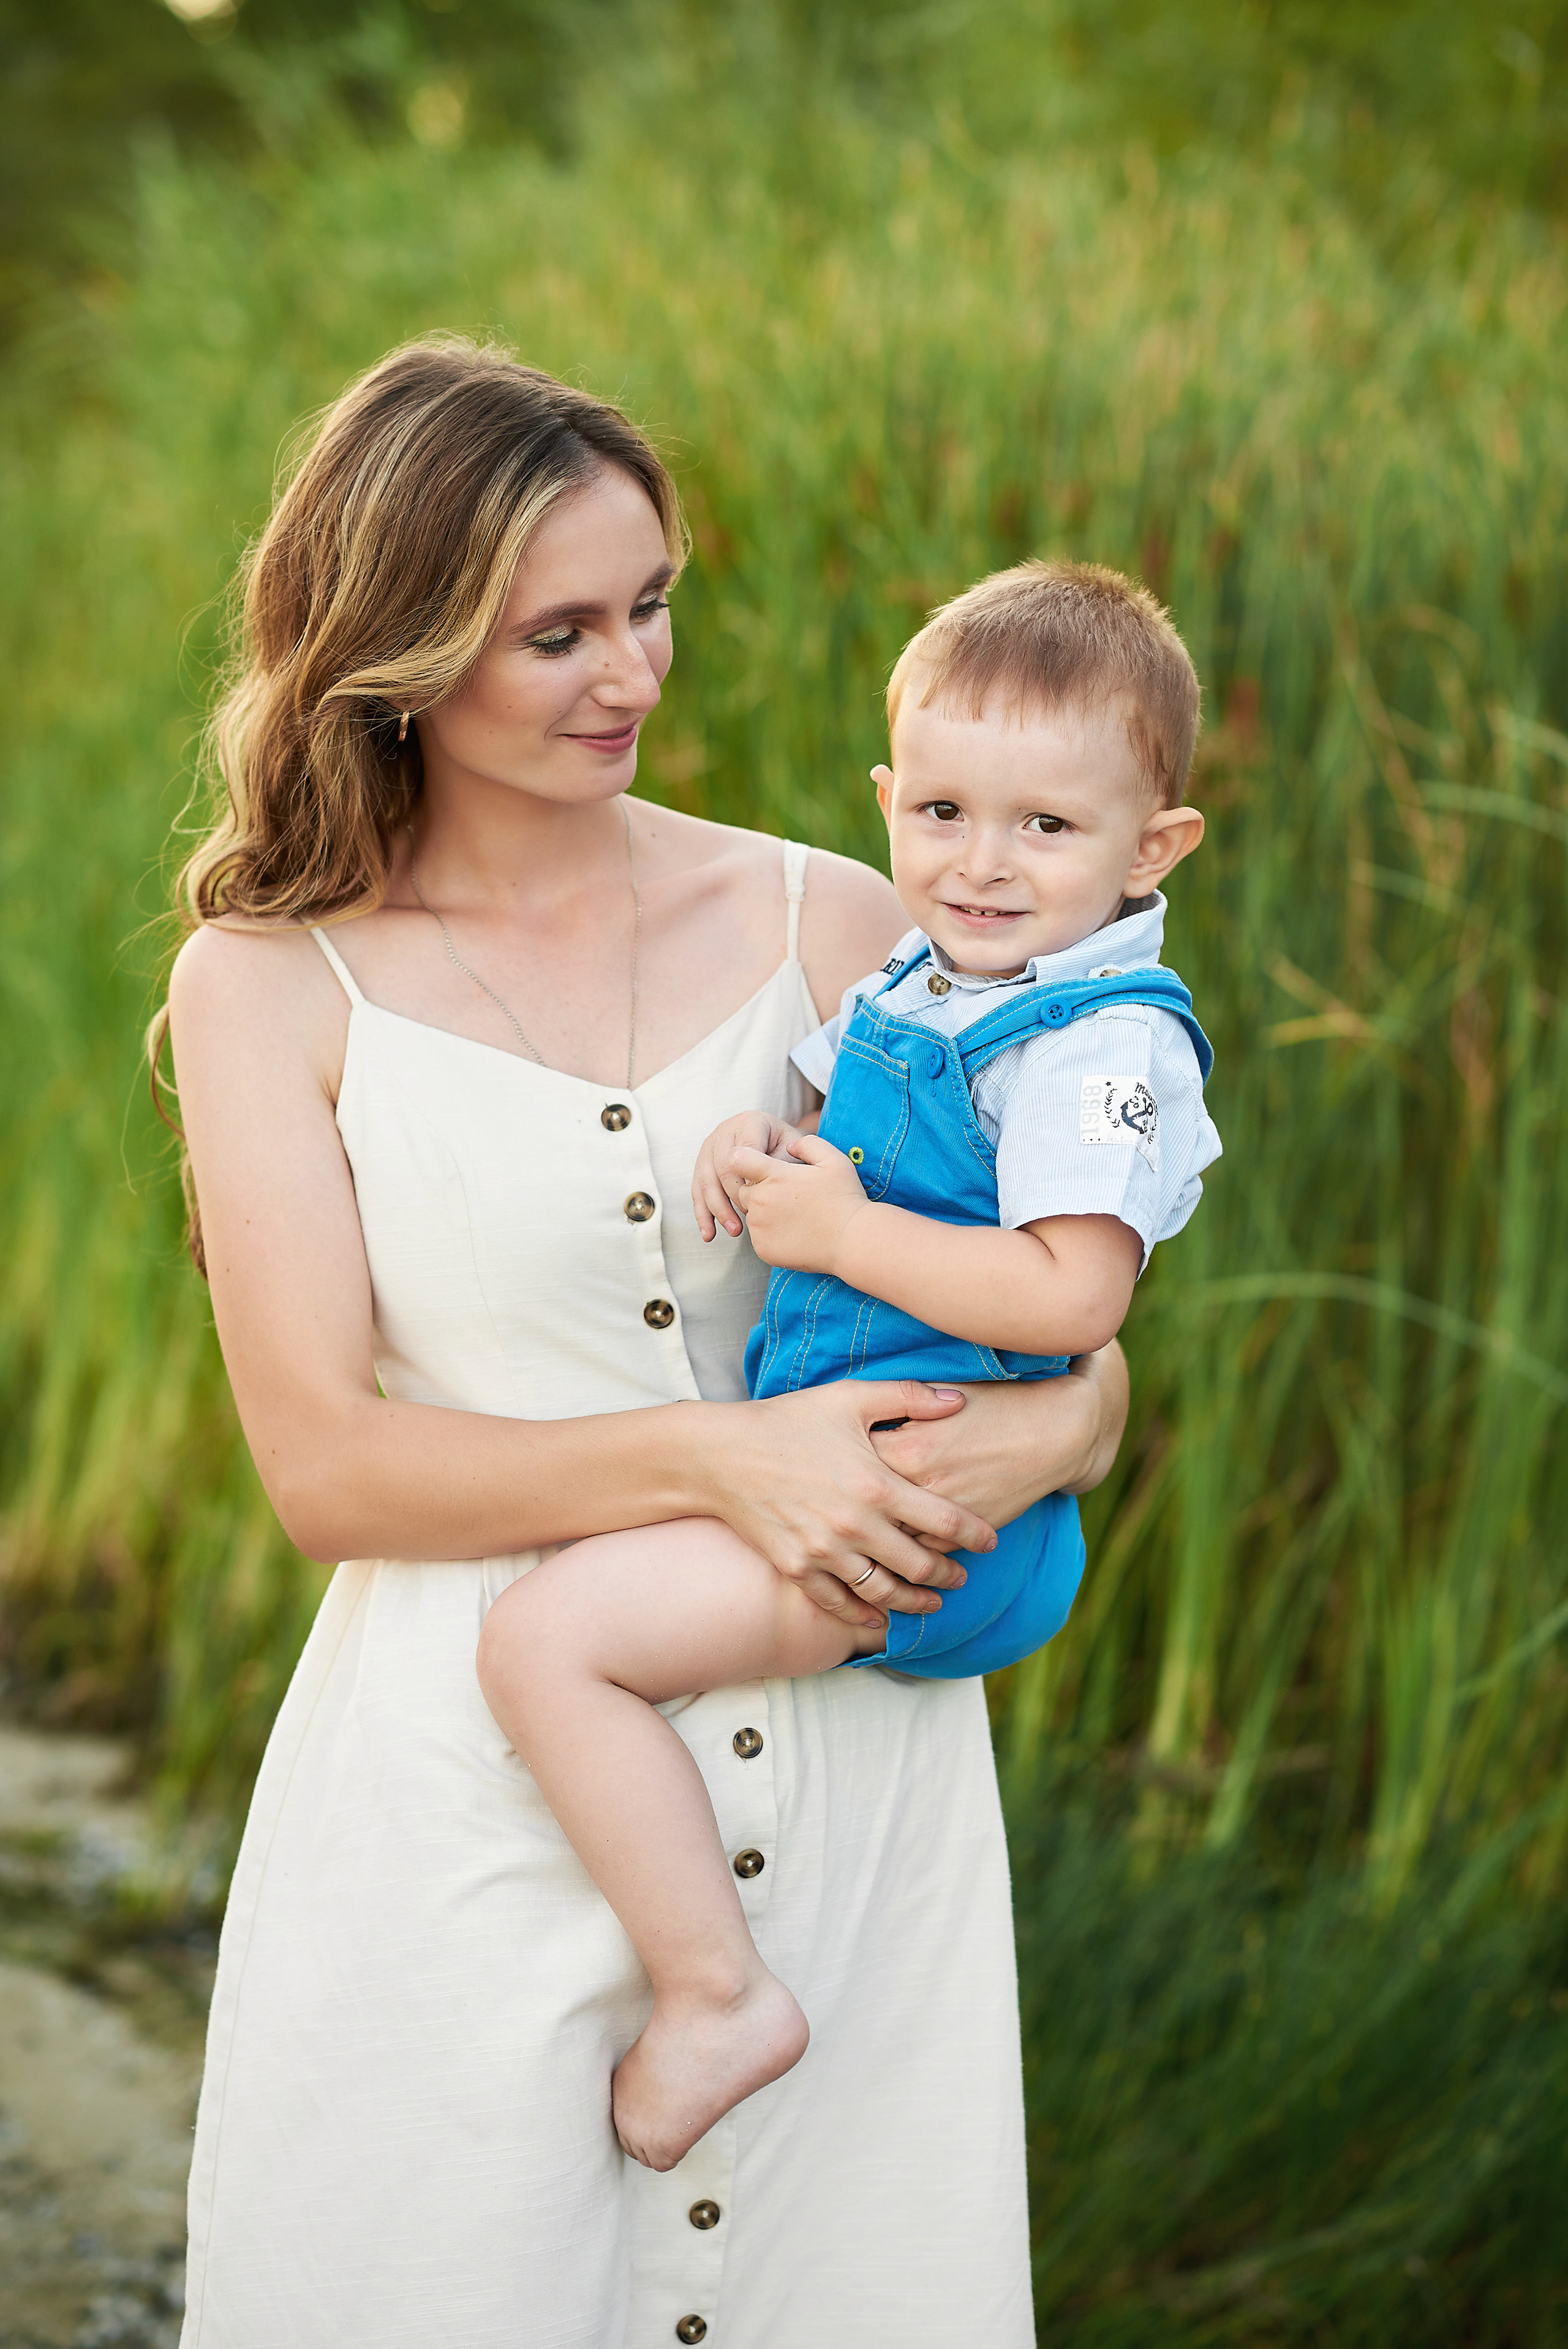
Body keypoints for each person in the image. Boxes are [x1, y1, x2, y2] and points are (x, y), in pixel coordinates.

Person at [160, 335, 1131, 2349]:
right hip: (468, 1808)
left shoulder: (840, 921)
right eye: (560, 633)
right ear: (401, 649)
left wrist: (1065, 1435)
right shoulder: (271, 982)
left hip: (861, 1789)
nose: (634, 673)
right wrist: (724, 1459)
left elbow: (1064, 1319)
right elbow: (327, 1470)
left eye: (654, 605)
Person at [477, 560, 1221, 2174]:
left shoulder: (1102, 1046)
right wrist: (768, 1149)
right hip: (869, 1464)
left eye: (1047, 826)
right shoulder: (921, 981)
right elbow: (848, 1149)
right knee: (564, 1628)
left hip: (930, 1508)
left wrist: (838, 1236)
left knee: (549, 1644)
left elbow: (1071, 1292)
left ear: (1153, 848)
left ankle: (714, 1992)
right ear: (888, 798)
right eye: (944, 809)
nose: (981, 861)